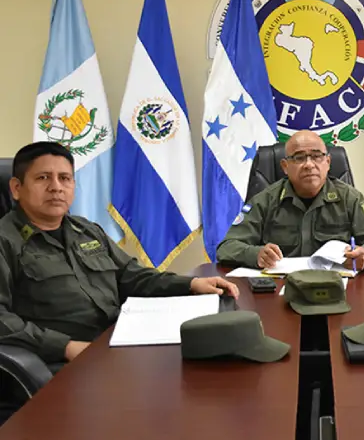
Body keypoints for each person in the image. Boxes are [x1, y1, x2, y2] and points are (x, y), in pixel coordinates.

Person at [0, 142, 239, 365]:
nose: (56, 187)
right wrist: (65, 347)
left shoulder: (86, 230)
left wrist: (192, 284)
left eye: (65, 178)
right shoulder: (6, 240)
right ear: (16, 188)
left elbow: (131, 276)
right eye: (43, 178)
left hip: (119, 342)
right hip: (62, 362)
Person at [216, 130, 364, 271]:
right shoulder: (265, 200)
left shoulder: (350, 198)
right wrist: (256, 254)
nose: (309, 164)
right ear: (285, 166)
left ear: (328, 162)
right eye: (299, 158)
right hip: (278, 288)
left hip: (337, 287)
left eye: (317, 156)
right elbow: (227, 247)